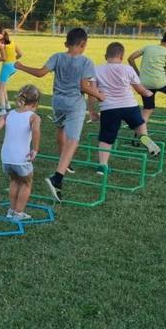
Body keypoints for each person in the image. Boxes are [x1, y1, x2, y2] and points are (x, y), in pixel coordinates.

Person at [16, 27, 104, 202]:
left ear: (66, 43)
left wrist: (21, 66)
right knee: (73, 140)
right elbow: (84, 87)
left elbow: (41, 73)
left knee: (61, 129)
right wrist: (100, 96)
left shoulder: (57, 56)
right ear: (83, 44)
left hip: (57, 102)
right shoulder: (86, 62)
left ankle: (65, 161)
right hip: (74, 104)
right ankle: (58, 177)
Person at [87, 42, 162, 174]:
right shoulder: (128, 69)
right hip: (130, 106)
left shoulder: (96, 69)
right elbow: (140, 89)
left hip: (109, 108)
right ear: (121, 57)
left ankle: (102, 166)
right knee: (139, 124)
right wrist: (147, 93)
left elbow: (92, 92)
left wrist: (92, 111)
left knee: (106, 138)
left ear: (106, 56)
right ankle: (146, 140)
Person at [0, 85, 41, 221]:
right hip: (21, 157)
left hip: (6, 157)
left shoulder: (9, 114)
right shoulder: (34, 117)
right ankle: (18, 213)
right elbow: (36, 132)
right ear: (36, 103)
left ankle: (11, 210)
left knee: (14, 180)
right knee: (26, 183)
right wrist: (35, 149)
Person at [128, 30, 166, 131]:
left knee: (148, 108)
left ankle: (139, 133)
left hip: (144, 83)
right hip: (160, 82)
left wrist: (137, 74)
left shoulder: (148, 47)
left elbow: (131, 58)